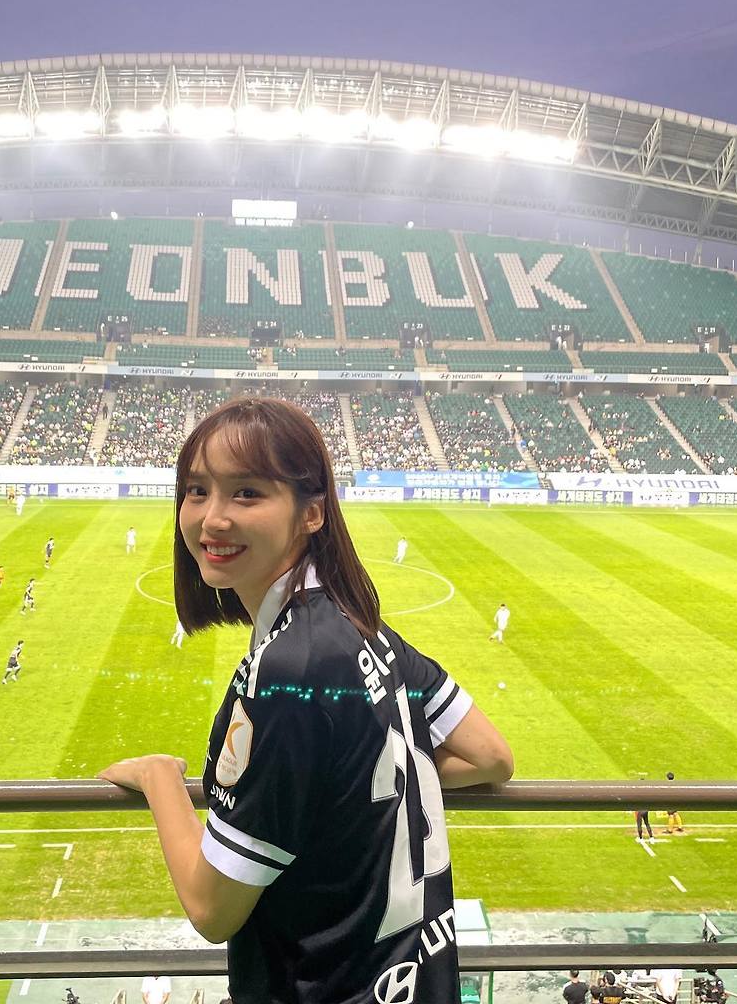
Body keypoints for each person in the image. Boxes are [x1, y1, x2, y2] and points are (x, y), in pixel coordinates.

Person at [98, 397, 513, 1004]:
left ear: (312, 512)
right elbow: (490, 757)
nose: (212, 518)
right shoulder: (364, 627)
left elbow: (212, 909)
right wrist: (341, 795)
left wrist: (159, 777)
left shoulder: (285, 672)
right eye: (196, 491)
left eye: (247, 493)